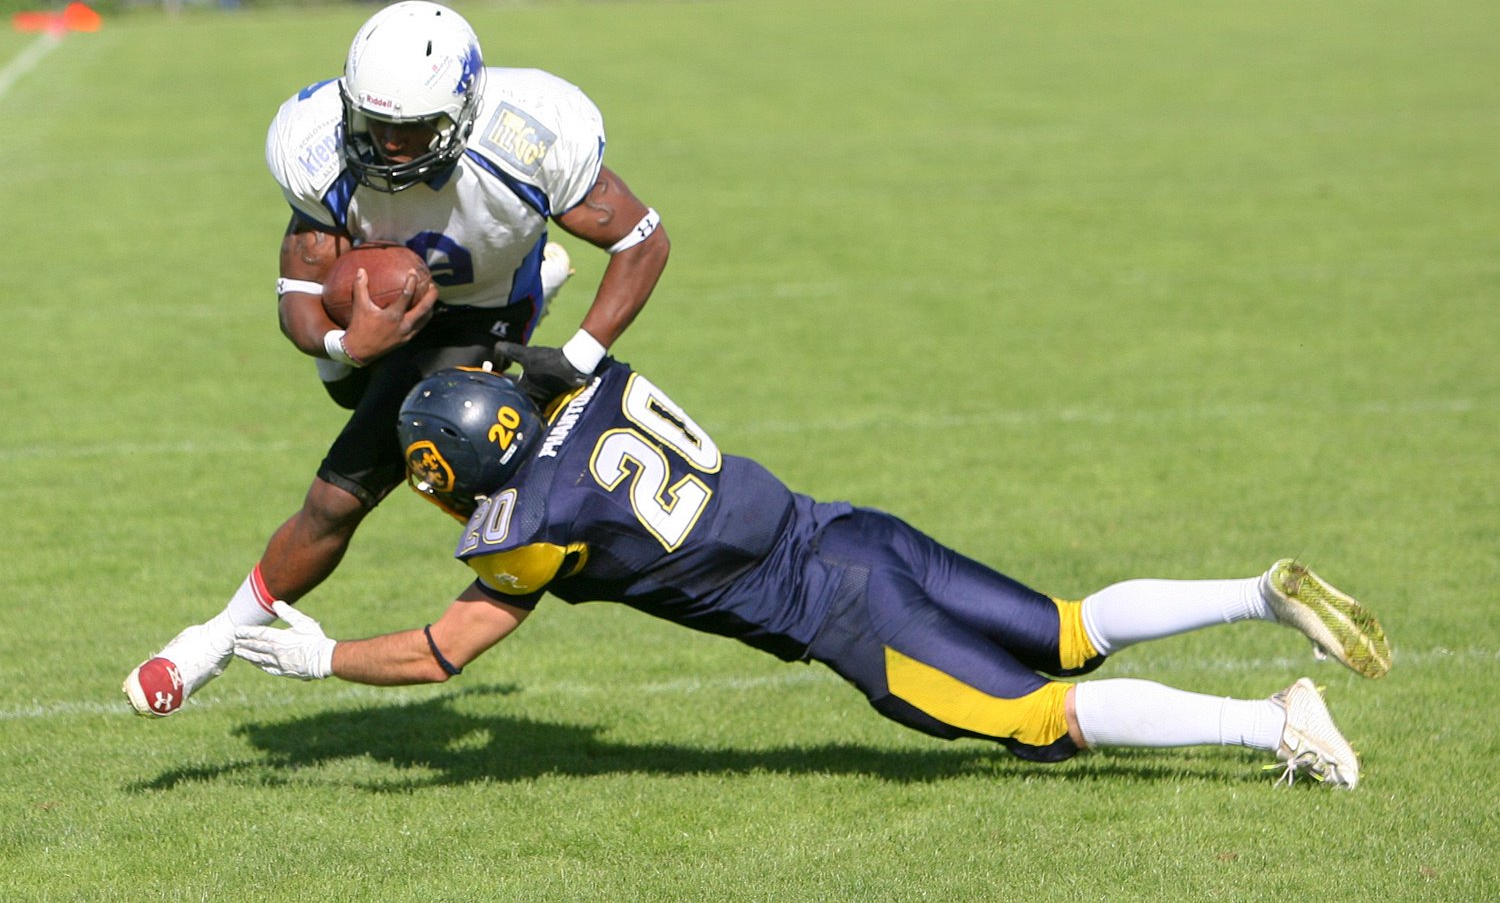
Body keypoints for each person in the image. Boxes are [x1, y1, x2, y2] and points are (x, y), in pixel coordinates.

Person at [233, 353, 1391, 788]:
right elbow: (538, 361)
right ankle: (1258, 594)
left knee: (1040, 717)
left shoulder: (533, 523)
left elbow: (445, 651)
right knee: (1067, 624)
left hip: (841, 613)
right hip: (854, 531)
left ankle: (1272, 723)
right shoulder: (587, 386)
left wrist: (323, 657)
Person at [124, 0, 670, 716]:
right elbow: (299, 299)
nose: (388, 142)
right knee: (349, 384)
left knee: (342, 496)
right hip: (375, 305)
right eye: (375, 122)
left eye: (413, 127)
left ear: (462, 111)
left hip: (480, 310)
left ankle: (213, 641)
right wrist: (346, 344)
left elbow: (642, 241)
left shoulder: (530, 136)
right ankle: (424, 334)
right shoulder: (317, 143)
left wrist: (575, 358)